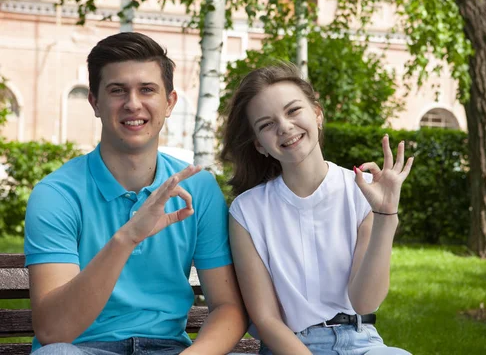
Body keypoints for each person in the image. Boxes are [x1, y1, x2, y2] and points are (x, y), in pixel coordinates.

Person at [24, 32, 247, 355]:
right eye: (117, 91)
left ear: (169, 103)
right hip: (84, 348)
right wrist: (127, 238)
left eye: (147, 90)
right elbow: (54, 331)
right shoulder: (56, 195)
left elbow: (228, 307)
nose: (133, 103)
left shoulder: (198, 188)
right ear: (95, 103)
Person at [220, 62, 413, 355]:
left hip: (362, 343)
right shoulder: (247, 212)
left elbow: (365, 302)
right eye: (266, 124)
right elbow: (266, 319)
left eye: (293, 110)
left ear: (317, 114)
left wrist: (385, 216)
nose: (284, 127)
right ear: (259, 144)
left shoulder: (361, 191)